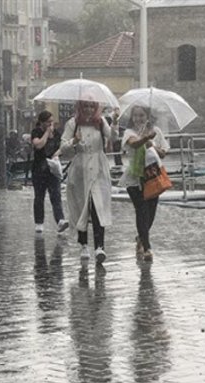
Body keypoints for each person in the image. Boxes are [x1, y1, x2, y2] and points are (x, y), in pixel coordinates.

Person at [60, 98, 115, 263]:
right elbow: (63, 147)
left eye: (92, 106)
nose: (89, 109)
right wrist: (74, 141)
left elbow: (112, 137)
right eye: (86, 106)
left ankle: (100, 246)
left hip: (98, 167)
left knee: (98, 206)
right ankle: (83, 244)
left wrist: (115, 124)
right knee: (82, 205)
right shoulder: (73, 123)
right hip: (80, 169)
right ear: (80, 107)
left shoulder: (101, 121)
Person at [119, 105, 169, 261]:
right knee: (141, 211)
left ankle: (141, 237)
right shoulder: (129, 132)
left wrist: (152, 143)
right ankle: (147, 248)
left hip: (152, 176)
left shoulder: (156, 131)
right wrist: (146, 138)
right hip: (135, 178)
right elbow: (134, 144)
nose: (138, 118)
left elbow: (163, 153)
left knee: (151, 212)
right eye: (135, 116)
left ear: (147, 116)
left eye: (141, 115)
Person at [31, 111, 69, 234]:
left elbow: (61, 148)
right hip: (39, 169)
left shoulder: (57, 134)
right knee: (39, 197)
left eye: (52, 121)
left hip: (53, 170)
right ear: (42, 122)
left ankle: (60, 221)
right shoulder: (36, 132)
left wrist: (56, 155)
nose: (50, 124)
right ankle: (39, 223)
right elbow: (38, 145)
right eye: (48, 122)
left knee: (56, 195)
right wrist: (47, 133)